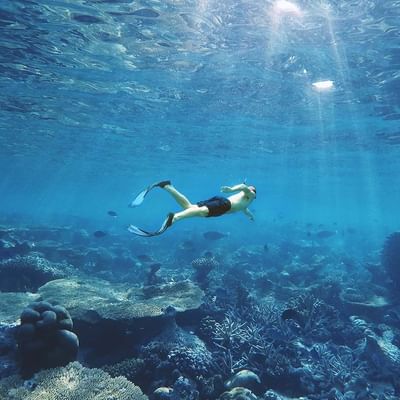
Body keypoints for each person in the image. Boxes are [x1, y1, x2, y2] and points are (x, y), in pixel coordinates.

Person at [128, 180, 256, 237]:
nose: (249, 189)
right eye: (250, 189)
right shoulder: (251, 194)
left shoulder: (246, 203)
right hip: (225, 205)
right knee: (201, 212)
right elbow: (243, 187)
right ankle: (175, 218)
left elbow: (244, 210)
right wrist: (231, 189)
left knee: (189, 207)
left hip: (221, 201)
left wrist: (250, 216)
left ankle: (167, 186)